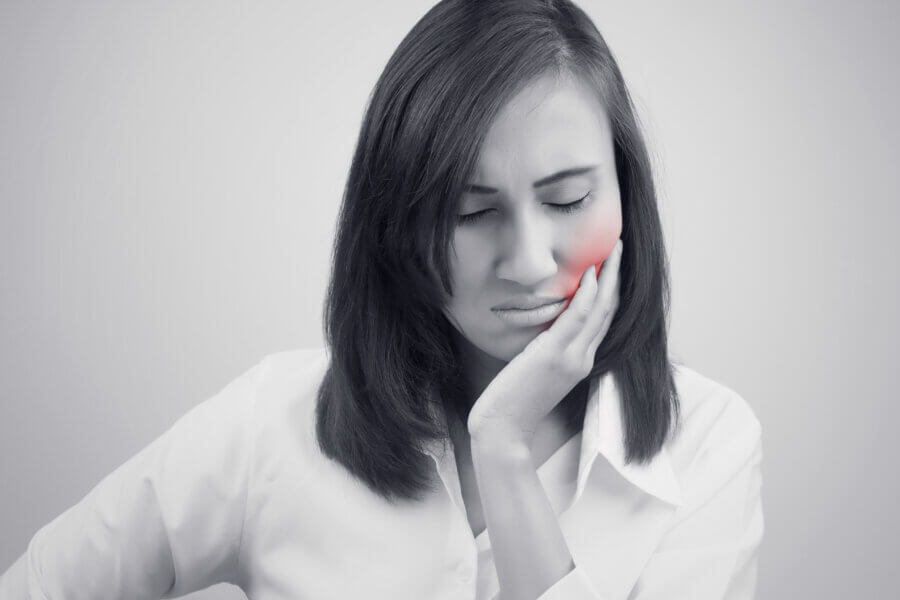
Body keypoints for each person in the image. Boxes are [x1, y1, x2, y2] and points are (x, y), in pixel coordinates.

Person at [0, 1, 764, 599]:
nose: (530, 264)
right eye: (473, 213)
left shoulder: (707, 444)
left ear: (626, 196)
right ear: (397, 223)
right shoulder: (274, 423)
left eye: (567, 200)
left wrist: (500, 445)